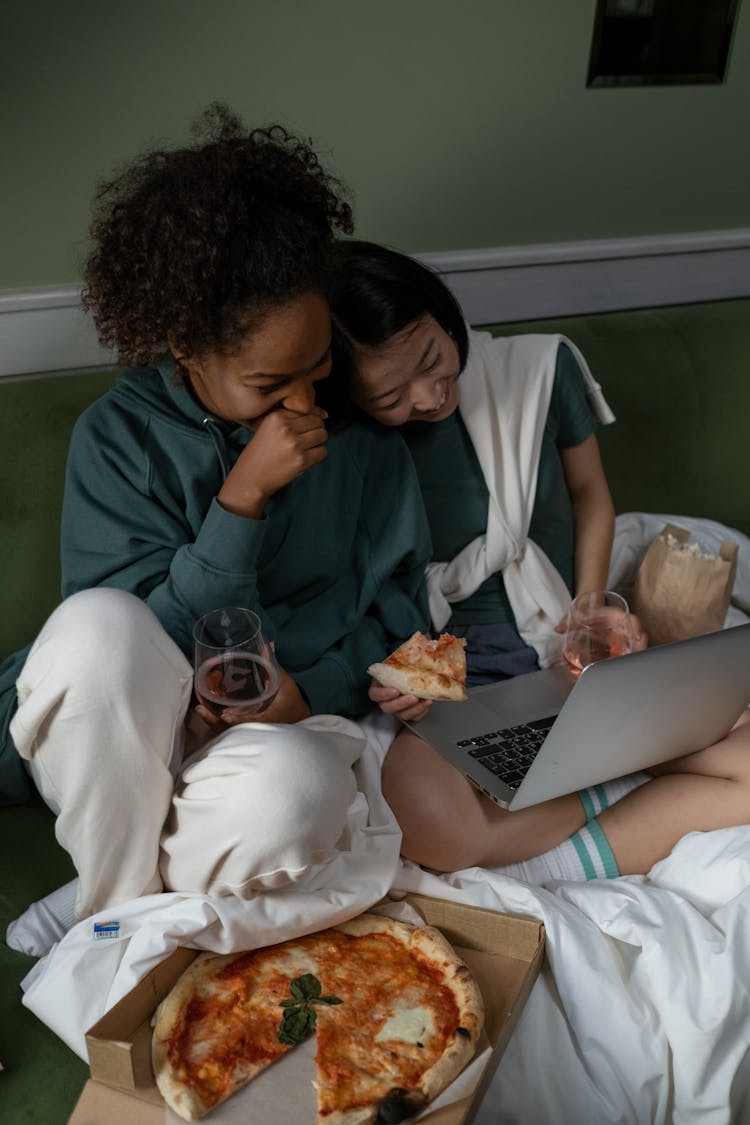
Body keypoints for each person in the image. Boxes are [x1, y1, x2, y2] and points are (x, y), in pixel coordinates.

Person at [0, 108, 432, 931]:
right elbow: (122, 656)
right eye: (272, 384)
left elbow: (400, 609)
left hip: (265, 745)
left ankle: (107, 901)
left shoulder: (367, 443)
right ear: (186, 346)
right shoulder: (118, 438)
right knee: (95, 624)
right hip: (121, 743)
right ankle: (120, 915)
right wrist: (241, 500)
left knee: (297, 794)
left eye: (319, 366)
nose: (306, 404)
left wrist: (312, 692)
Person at [327, 239, 750, 879]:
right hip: (458, 659)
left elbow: (591, 496)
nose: (427, 394)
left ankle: (561, 825)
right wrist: (398, 676)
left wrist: (590, 609)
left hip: (561, 631)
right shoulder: (352, 447)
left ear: (443, 316)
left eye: (432, 357)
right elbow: (366, 581)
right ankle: (611, 791)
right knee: (422, 815)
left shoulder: (541, 369)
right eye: (389, 396)